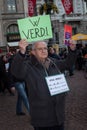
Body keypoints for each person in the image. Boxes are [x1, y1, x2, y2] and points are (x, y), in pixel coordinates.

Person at [11, 39, 76, 130]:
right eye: (40, 49)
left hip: (58, 114)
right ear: (33, 52)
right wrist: (21, 52)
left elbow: (68, 64)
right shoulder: (28, 65)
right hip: (42, 117)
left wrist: (72, 50)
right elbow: (16, 72)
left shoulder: (53, 62)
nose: (44, 50)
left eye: (45, 48)